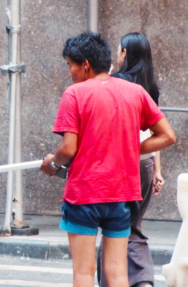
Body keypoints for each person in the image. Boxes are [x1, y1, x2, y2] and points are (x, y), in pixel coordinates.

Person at [40, 32, 175, 287]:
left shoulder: (75, 94)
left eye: (71, 65)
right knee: (118, 275)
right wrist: (130, 148)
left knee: (83, 272)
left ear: (86, 65)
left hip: (84, 194)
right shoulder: (135, 91)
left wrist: (52, 163)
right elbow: (167, 136)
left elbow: (68, 148)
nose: (70, 72)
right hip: (122, 193)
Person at [96, 32, 162, 287]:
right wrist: (156, 169)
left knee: (115, 229)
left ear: (125, 53)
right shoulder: (150, 86)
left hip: (121, 165)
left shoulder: (116, 83)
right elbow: (157, 129)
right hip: (145, 163)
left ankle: (133, 281)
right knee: (133, 226)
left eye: (119, 49)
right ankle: (141, 280)